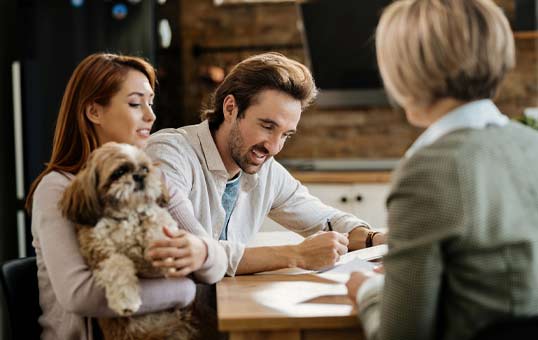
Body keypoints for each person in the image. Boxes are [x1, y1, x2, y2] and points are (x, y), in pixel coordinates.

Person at [345, 1, 538, 339]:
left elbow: (402, 334)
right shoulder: (530, 143)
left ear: (405, 69)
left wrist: (369, 292)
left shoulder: (428, 171)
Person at [26, 53, 227, 340]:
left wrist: (202, 251)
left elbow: (216, 261)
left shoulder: (152, 177)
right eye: (135, 103)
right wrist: (183, 289)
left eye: (151, 102)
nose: (151, 115)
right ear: (94, 111)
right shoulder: (57, 188)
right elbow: (80, 295)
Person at [145, 52, 385, 277]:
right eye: (267, 127)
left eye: (285, 135)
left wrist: (373, 239)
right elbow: (188, 252)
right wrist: (296, 255)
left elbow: (323, 220)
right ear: (230, 108)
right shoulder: (169, 153)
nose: (274, 147)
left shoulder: (265, 170)